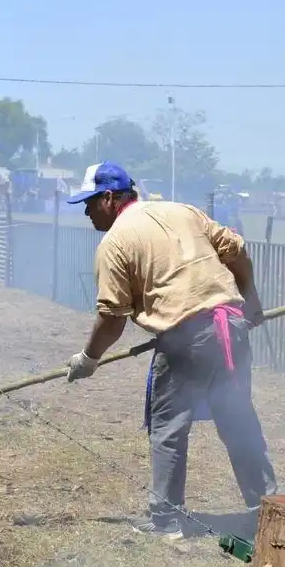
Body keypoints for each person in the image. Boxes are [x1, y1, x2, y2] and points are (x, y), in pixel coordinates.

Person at [64, 161, 277, 539]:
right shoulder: (181, 210)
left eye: (90, 202)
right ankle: (271, 511)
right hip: (231, 328)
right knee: (237, 420)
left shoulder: (115, 243)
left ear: (110, 198)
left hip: (186, 342)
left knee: (169, 429)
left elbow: (112, 318)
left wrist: (88, 359)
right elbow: (238, 250)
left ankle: (165, 521)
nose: (86, 211)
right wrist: (251, 301)